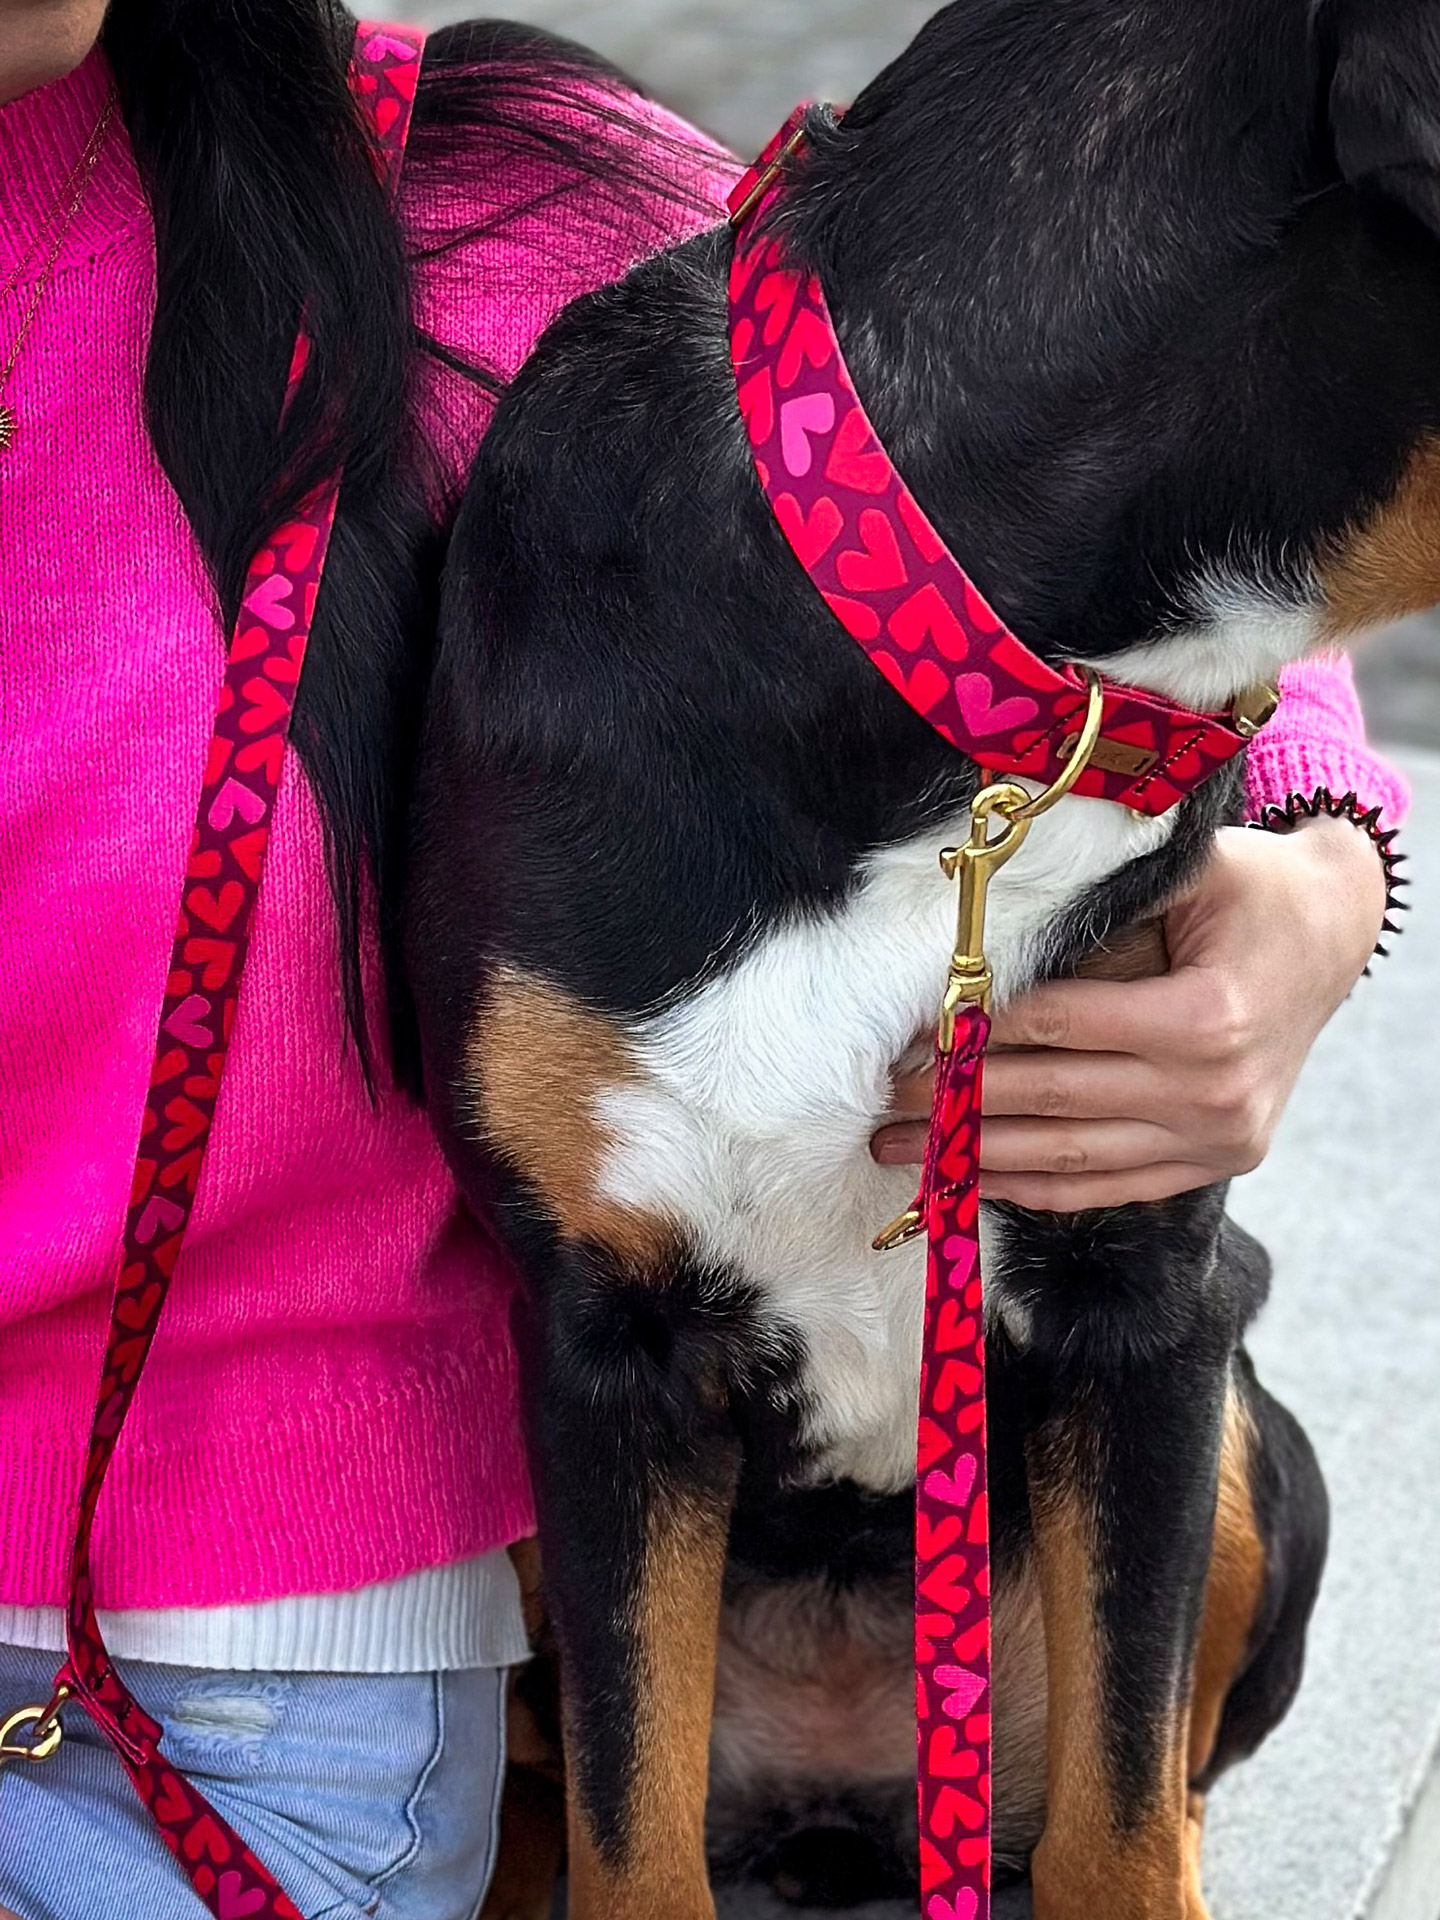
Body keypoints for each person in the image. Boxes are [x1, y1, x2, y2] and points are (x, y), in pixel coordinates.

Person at [0, 1, 1406, 1915]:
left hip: (215, 1660)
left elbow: (1117, 405)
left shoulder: (478, 186)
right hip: (596, 1539)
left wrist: (1327, 866)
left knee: (1203, 1398)